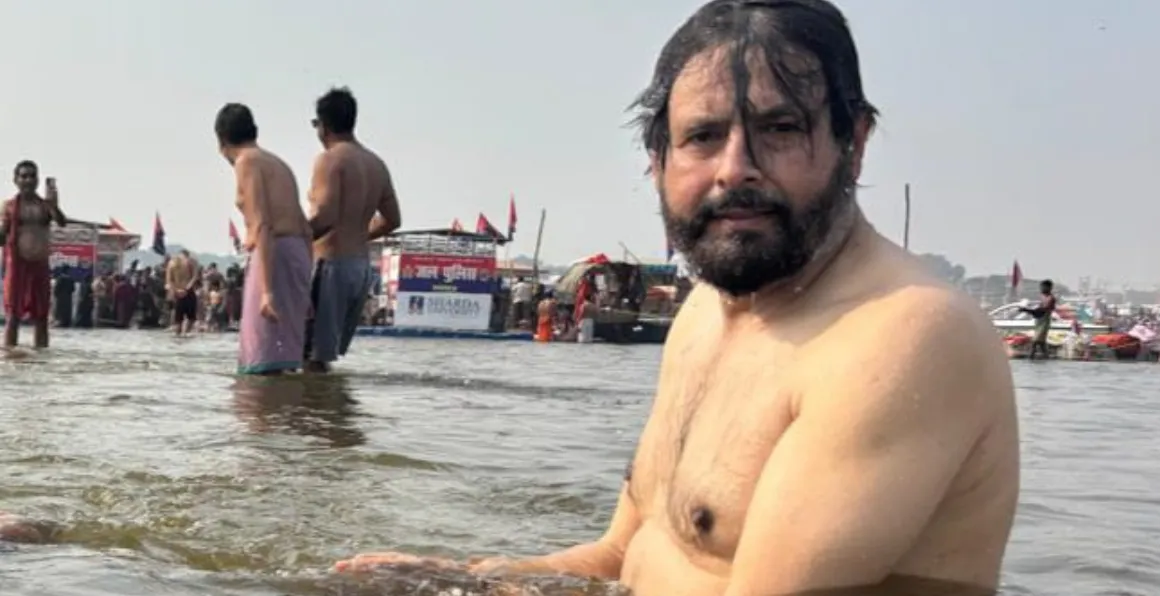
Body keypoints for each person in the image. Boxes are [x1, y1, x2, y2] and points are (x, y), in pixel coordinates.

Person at [335, 1, 1019, 594]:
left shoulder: (905, 336)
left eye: (781, 130)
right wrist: (467, 578)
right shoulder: (706, 313)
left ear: (854, 142)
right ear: (656, 160)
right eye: (703, 136)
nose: (736, 169)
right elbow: (618, 557)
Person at [303, 87, 402, 374]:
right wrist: (359, 234)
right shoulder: (376, 164)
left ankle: (317, 417)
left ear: (324, 126)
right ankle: (334, 417)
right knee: (324, 356)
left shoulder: (330, 159)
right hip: (359, 268)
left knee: (309, 356)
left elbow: (326, 216)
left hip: (329, 265)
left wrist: (290, 240)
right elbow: (393, 219)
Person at [215, 103, 314, 375]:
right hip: (297, 255)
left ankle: (259, 417)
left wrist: (267, 292)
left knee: (258, 365)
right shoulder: (278, 163)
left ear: (221, 141)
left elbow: (262, 224)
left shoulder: (246, 162)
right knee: (284, 359)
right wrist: (305, 286)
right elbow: (306, 229)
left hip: (273, 256)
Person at [1, 161, 67, 348]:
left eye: (32, 176)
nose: (28, 180)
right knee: (13, 316)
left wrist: (54, 205)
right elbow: (2, 237)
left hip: (39, 265)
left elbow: (61, 222)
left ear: (37, 179)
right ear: (16, 180)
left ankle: (41, 364)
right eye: (24, 176)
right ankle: (10, 357)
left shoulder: (45, 206)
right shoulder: (9, 206)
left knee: (41, 317)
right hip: (17, 265)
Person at [1018, 279, 1057, 360]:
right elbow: (1039, 310)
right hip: (1039, 320)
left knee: (1035, 341)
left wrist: (1026, 310)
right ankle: (1046, 359)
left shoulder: (1051, 298)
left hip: (1044, 321)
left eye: (1043, 287)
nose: (1041, 289)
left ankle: (1031, 358)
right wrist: (1028, 310)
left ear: (1049, 288)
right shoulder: (1042, 296)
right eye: (1041, 287)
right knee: (1041, 343)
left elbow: (1042, 310)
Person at [165, 249, 200, 336]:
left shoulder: (171, 263)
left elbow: (169, 280)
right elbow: (195, 276)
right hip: (188, 291)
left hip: (176, 292)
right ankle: (186, 334)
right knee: (191, 318)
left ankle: (178, 336)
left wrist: (176, 290)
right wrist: (186, 289)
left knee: (178, 319)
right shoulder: (191, 261)